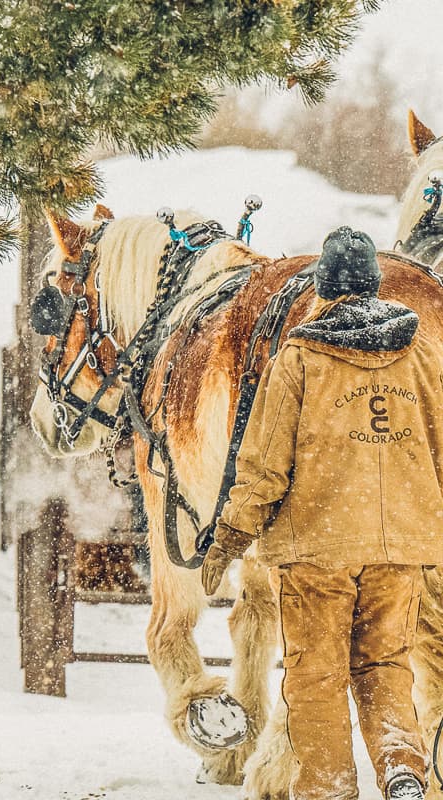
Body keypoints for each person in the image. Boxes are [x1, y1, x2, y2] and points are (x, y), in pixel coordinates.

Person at [201, 226, 443, 800]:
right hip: (400, 552)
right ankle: (402, 768)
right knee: (385, 666)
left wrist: (229, 539)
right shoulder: (424, 360)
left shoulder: (300, 359)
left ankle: (330, 789)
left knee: (316, 676)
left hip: (317, 551)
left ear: (324, 289)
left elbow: (263, 466)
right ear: (377, 287)